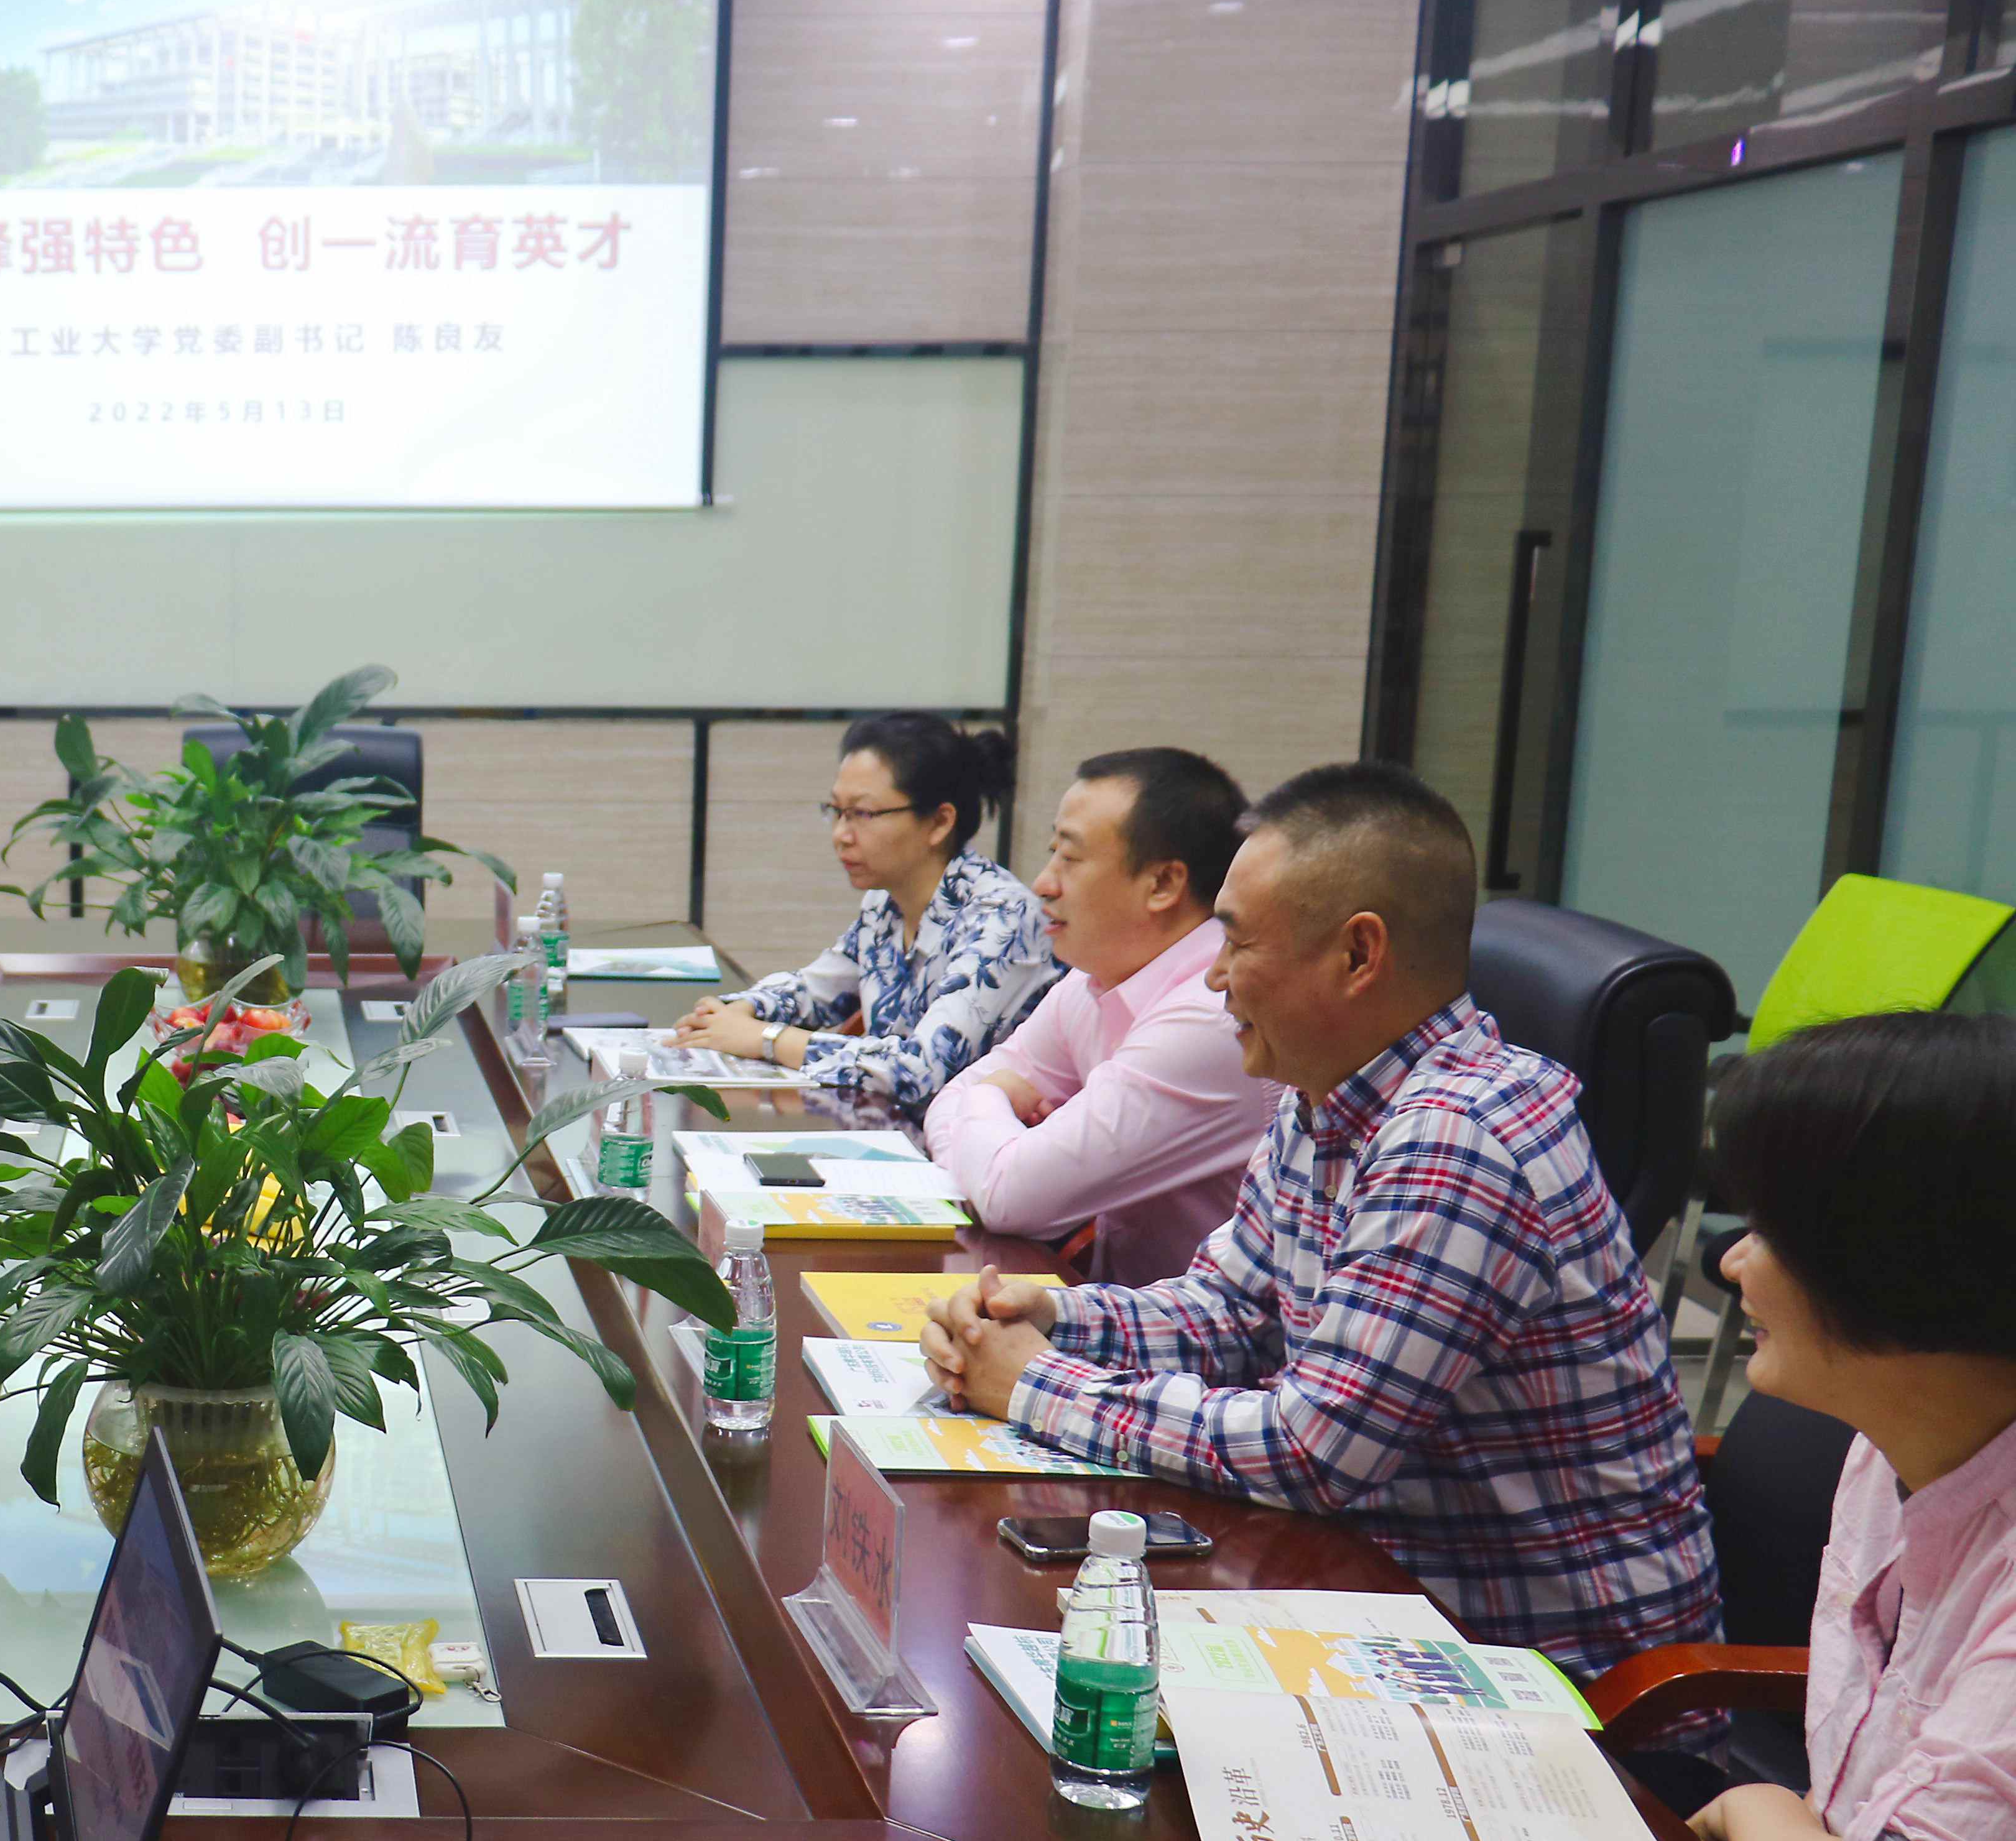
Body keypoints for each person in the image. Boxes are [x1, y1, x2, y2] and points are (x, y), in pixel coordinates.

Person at [920, 760, 1714, 1681]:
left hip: (1549, 1678)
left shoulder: (1456, 1138)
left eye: (1236, 941)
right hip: (1376, 1591)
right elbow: (1230, 1313)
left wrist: (1032, 1384)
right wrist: (1051, 1317)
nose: (1213, 976)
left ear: (1358, 955)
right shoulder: (1325, 1092)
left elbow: (1310, 1450)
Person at [1686, 1013, 2016, 1841]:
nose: (1732, 1261)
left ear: (1903, 1262)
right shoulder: (1890, 1446)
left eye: (1772, 1232)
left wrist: (1752, 1808)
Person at [917, 748, 1269, 1284]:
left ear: (1163, 884)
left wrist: (989, 1099)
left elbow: (1009, 1199)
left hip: (1197, 1330)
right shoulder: (1095, 979)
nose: (1043, 883)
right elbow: (948, 1106)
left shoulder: (1213, 1015)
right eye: (1051, 853)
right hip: (1108, 1308)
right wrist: (993, 1144)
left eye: (1071, 858)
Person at [667, 711, 1055, 1110]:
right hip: (887, 1128)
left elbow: (921, 1070)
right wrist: (739, 1010)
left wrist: (765, 1039)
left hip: (972, 1139)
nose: (841, 835)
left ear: (939, 822)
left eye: (863, 814)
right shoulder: (886, 901)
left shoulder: (1004, 918)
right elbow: (819, 991)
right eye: (837, 811)